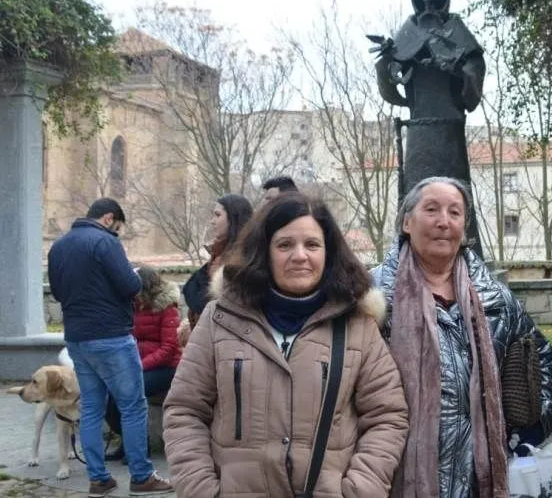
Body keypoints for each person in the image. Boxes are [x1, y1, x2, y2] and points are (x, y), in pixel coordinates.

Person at [163, 193, 409, 498]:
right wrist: (201, 490)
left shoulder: (356, 325)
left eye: (312, 245)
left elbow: (386, 416)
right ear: (264, 251)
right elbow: (185, 410)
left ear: (328, 253)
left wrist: (360, 490)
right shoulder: (220, 319)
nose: (300, 256)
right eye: (285, 245)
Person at [371, 176, 552, 497]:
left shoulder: (495, 298)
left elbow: (547, 363)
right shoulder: (372, 297)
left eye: (455, 213)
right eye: (431, 209)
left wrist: (525, 432)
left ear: (464, 227)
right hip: (393, 477)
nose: (444, 222)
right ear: (406, 222)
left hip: (481, 479)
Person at [47, 198, 173, 496]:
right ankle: (142, 477)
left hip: (77, 338)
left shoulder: (58, 247)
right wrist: (131, 274)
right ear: (108, 218)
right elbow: (132, 286)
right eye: (117, 227)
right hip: (111, 337)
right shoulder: (106, 242)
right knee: (133, 406)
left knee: (92, 407)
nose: (116, 232)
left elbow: (58, 293)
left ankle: (99, 479)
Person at [104, 265, 182, 463]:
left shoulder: (168, 308)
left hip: (167, 368)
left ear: (146, 287)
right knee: (108, 396)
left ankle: (140, 447)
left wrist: (139, 365)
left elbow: (169, 349)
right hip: (137, 364)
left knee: (130, 391)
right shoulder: (133, 306)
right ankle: (126, 442)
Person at [179, 194, 253, 343]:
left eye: (217, 215)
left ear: (233, 218)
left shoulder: (242, 259)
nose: (212, 221)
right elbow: (191, 291)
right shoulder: (218, 254)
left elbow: (210, 304)